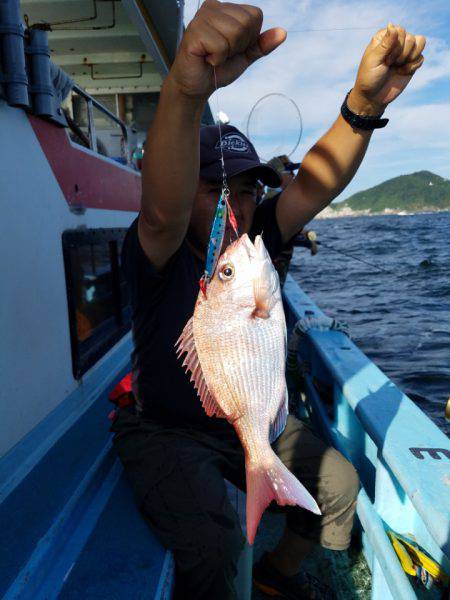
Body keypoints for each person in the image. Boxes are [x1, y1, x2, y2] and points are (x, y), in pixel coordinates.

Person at [110, 3, 425, 599]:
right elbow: (162, 208)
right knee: (213, 541)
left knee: (338, 484)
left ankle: (278, 575)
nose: (239, 204)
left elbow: (311, 184)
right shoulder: (159, 251)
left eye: (249, 188)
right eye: (217, 189)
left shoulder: (255, 250)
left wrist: (365, 106)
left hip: (249, 421)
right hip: (167, 431)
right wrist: (183, 88)